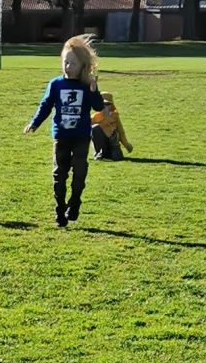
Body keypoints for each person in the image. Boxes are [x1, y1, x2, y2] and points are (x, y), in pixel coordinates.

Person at [24, 35, 100, 227]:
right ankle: (60, 210)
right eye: (65, 62)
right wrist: (34, 123)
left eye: (72, 63)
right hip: (62, 136)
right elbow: (46, 105)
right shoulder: (56, 84)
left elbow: (98, 107)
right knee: (60, 173)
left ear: (83, 66)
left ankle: (75, 203)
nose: (67, 67)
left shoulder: (85, 85)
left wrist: (93, 89)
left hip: (82, 136)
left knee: (80, 170)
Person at [89, 82, 132, 161]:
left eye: (108, 104)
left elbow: (121, 132)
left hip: (113, 144)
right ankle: (99, 153)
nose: (105, 106)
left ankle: (111, 154)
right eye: (103, 104)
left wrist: (127, 145)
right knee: (95, 128)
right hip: (101, 145)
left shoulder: (115, 116)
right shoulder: (95, 117)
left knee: (117, 157)